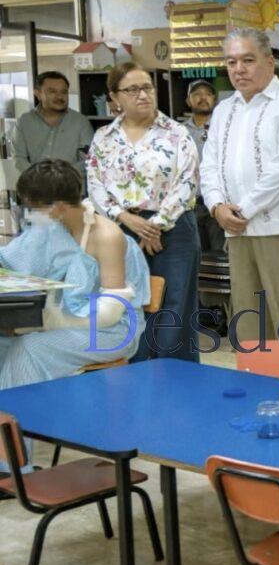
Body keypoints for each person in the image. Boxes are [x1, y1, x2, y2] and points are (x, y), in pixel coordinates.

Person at [0, 160, 150, 469]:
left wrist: (52, 321)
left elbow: (110, 312)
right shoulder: (54, 227)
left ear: (55, 207)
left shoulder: (106, 236)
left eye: (33, 207)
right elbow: (12, 262)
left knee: (27, 350)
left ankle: (14, 467)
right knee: (2, 344)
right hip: (65, 323)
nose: (30, 215)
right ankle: (6, 452)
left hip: (111, 331)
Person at [200, 28, 279, 347]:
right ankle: (258, 391)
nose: (239, 69)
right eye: (231, 61)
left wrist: (240, 210)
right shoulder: (224, 110)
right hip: (238, 232)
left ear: (269, 62)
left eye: (248, 60)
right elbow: (209, 164)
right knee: (250, 324)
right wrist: (216, 207)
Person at [87, 62, 200, 362]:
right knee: (130, 303)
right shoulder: (104, 138)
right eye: (132, 89)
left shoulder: (177, 133)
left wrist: (157, 225)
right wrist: (124, 217)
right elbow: (96, 184)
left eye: (147, 87)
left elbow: (188, 181)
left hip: (173, 230)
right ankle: (135, 374)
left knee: (174, 305)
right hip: (121, 229)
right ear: (114, 97)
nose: (143, 95)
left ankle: (174, 378)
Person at [13, 71, 93, 177]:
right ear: (38, 94)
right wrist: (40, 178)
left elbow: (89, 159)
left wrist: (58, 177)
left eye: (64, 92)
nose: (59, 97)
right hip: (35, 187)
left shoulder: (81, 122)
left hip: (71, 188)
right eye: (52, 92)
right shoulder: (24, 122)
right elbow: (18, 158)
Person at [183, 79, 225, 253]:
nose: (203, 98)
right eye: (197, 94)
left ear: (214, 100)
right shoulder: (179, 132)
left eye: (208, 94)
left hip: (218, 203)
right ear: (188, 101)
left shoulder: (222, 128)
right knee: (196, 254)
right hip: (190, 204)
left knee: (220, 254)